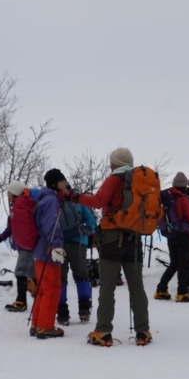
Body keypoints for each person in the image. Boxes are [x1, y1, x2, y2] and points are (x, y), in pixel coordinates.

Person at [68, 147, 152, 347]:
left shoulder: (113, 180)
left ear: (115, 163)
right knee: (137, 286)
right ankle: (143, 331)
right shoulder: (140, 180)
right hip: (135, 238)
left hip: (112, 238)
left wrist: (74, 197)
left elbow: (98, 202)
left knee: (107, 287)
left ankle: (104, 331)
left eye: (111, 161)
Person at [28, 169, 68, 339]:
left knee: (43, 290)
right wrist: (57, 246)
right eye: (62, 181)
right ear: (54, 183)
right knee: (52, 289)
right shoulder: (51, 200)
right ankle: (45, 327)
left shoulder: (43, 198)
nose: (65, 183)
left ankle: (37, 324)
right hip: (49, 251)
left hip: (40, 251)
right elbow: (52, 226)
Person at [154, 172, 189, 302]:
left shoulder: (165, 197)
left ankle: (161, 289)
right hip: (184, 234)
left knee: (174, 264)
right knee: (184, 264)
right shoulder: (183, 199)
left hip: (171, 233)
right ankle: (182, 292)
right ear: (185, 185)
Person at [0, 181, 39, 312]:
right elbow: (12, 228)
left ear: (14, 194)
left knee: (21, 270)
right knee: (31, 272)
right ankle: (40, 297)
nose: (7, 195)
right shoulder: (19, 208)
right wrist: (0, 238)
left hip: (26, 245)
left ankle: (21, 302)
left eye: (9, 193)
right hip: (26, 244)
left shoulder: (22, 208)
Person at [56, 187, 97, 326]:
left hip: (58, 243)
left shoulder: (52, 199)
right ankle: (84, 309)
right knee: (81, 275)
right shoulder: (76, 198)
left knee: (60, 278)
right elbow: (90, 220)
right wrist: (89, 232)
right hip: (78, 242)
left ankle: (62, 313)